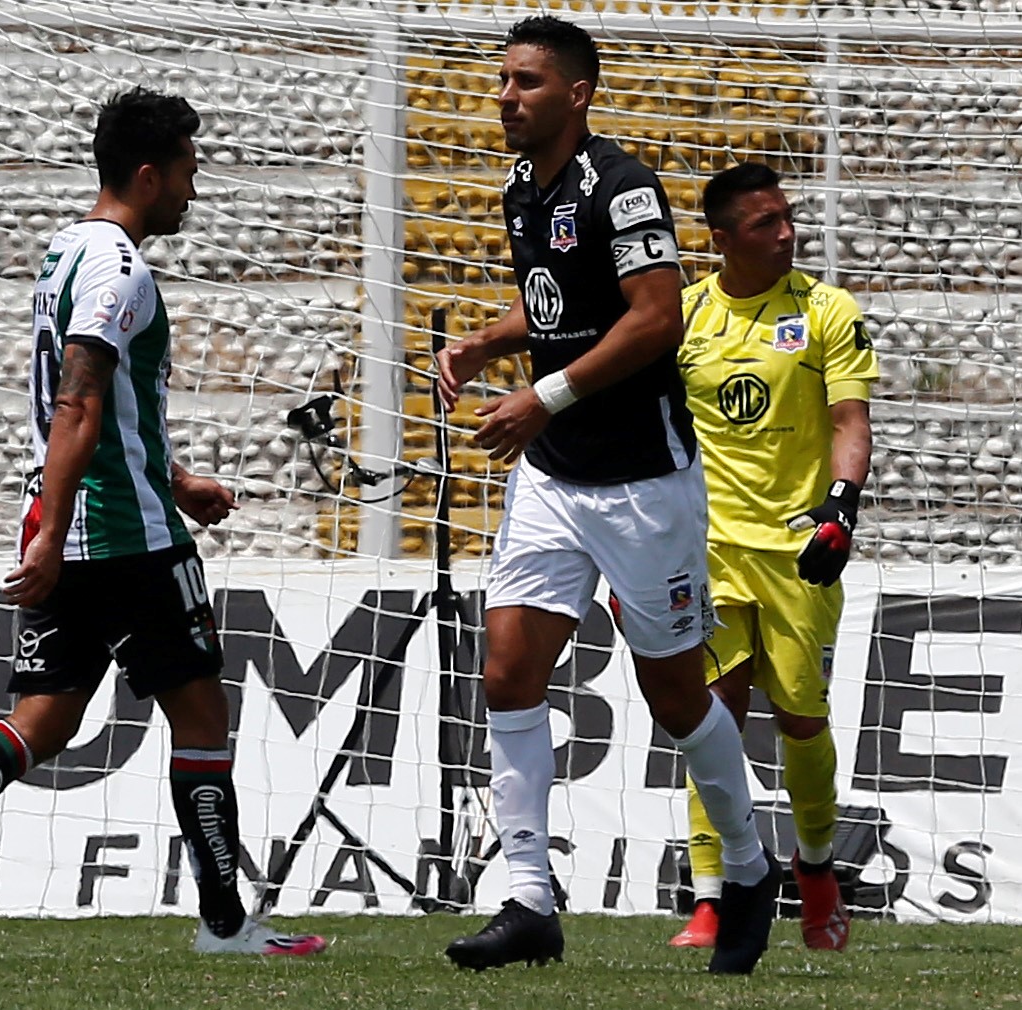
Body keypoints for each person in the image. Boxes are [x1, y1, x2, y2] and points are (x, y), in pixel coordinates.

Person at [0, 87, 326, 958]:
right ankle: (225, 925)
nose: (192, 190)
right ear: (147, 173)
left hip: (87, 515)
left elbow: (106, 404)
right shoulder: (118, 268)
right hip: (123, 540)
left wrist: (174, 480)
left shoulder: (67, 251)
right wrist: (63, 534)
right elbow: (77, 403)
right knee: (204, 719)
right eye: (185, 172)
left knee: (42, 723)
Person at [434, 16, 781, 975]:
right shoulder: (520, 188)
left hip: (642, 483)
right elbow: (559, 308)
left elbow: (656, 319)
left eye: (527, 83)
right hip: (555, 480)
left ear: (578, 94)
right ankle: (529, 901)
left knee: (672, 691)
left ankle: (749, 870)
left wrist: (540, 396)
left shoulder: (623, 189)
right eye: (504, 80)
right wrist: (484, 343)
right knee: (507, 671)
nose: (506, 96)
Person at [666, 162, 876, 951]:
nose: (786, 232)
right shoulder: (681, 316)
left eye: (787, 218)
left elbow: (850, 420)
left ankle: (817, 872)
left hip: (798, 549)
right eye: (765, 223)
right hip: (708, 548)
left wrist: (841, 511)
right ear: (720, 240)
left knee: (800, 716)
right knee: (709, 716)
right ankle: (715, 893)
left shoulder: (826, 309)